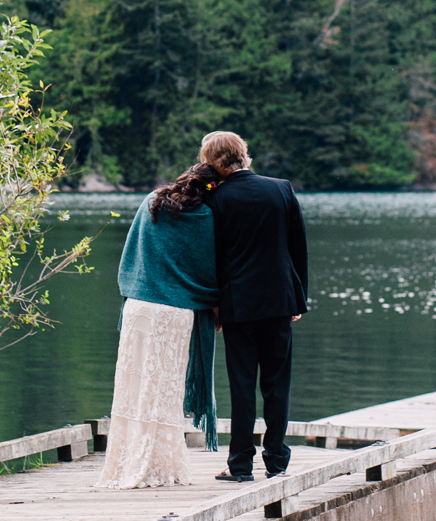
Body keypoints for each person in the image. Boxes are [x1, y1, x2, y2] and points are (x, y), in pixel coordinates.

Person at [96, 163, 221, 489]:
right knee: (162, 392)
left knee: (132, 389)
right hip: (174, 313)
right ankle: (155, 467)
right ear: (213, 188)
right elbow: (209, 272)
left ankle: (125, 465)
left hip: (138, 307)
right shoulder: (206, 218)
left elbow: (132, 255)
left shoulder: (152, 201)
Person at [202, 131, 308, 483]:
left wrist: (214, 305)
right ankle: (277, 462)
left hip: (238, 305)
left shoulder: (216, 198)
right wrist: (299, 298)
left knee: (242, 386)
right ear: (243, 154)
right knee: (278, 384)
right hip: (280, 301)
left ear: (212, 161)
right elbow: (298, 248)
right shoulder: (281, 188)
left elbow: (212, 258)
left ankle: (241, 465)